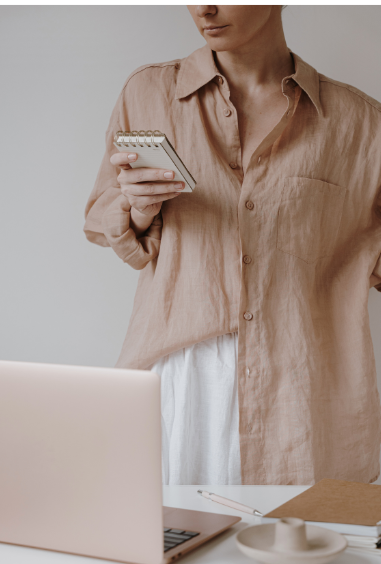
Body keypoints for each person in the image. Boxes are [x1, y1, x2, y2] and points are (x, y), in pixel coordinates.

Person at [84, 4, 381, 485]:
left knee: (298, 551)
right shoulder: (149, 93)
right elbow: (105, 225)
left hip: (304, 390)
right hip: (183, 384)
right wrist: (139, 207)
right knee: (168, 545)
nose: (204, 8)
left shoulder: (362, 126)